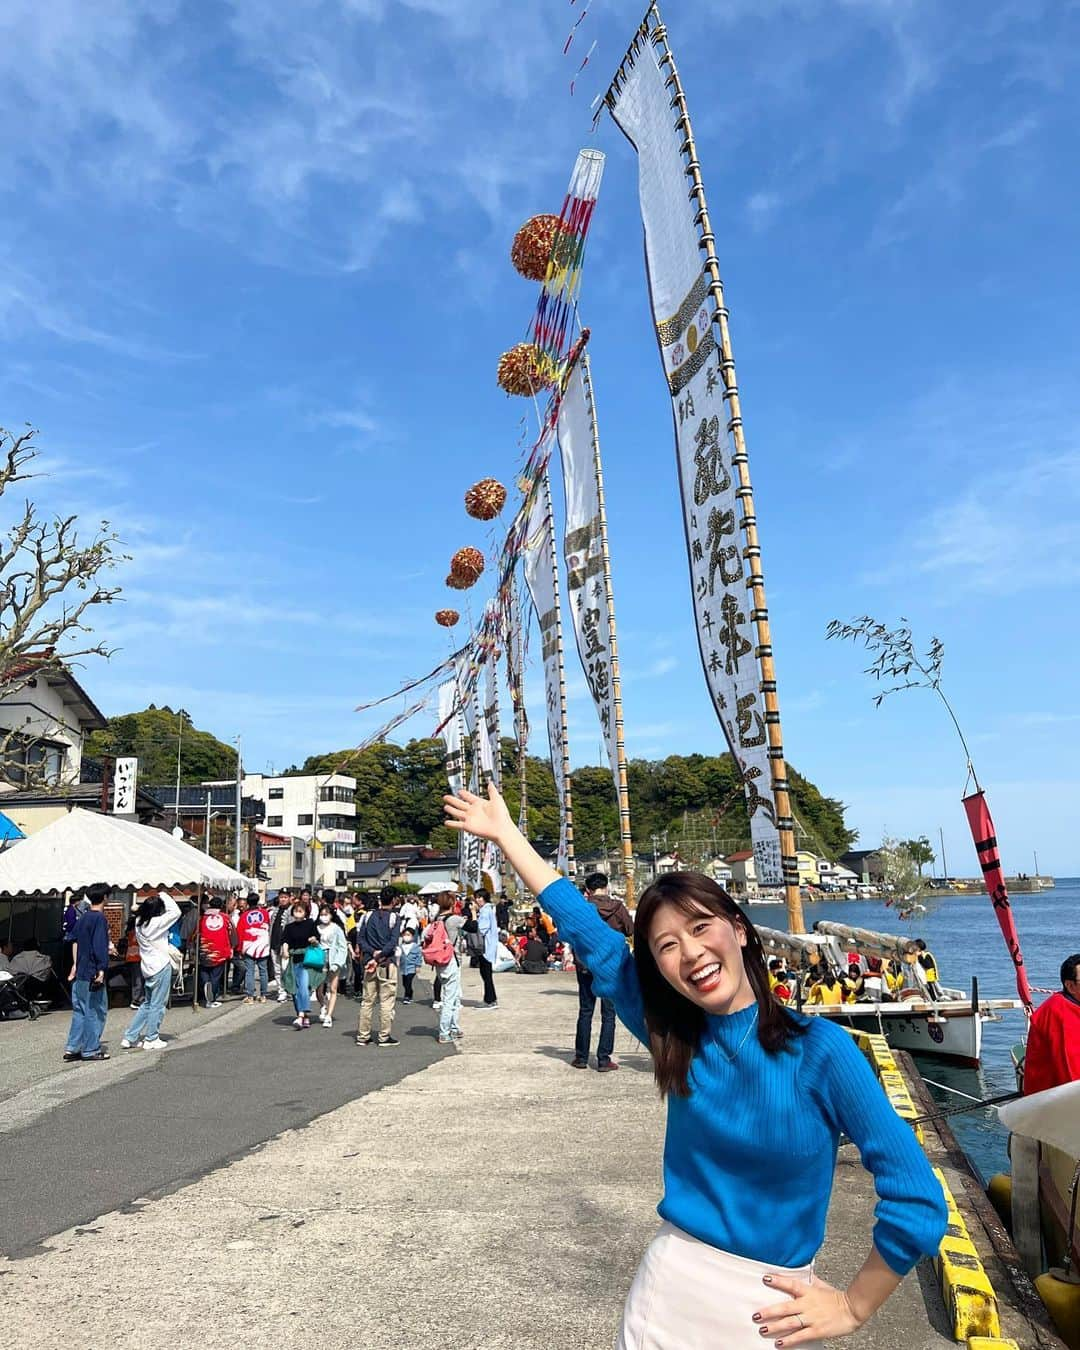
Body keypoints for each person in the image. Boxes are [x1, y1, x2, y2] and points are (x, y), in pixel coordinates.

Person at [444, 782, 947, 1348]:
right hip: (666, 1294)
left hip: (770, 1310)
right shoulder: (673, 1036)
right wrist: (509, 837)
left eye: (701, 927)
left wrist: (854, 1306)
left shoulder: (822, 1050)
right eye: (666, 945)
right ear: (657, 967)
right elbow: (594, 940)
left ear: (738, 928)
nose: (690, 953)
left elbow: (918, 1197)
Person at [573, 872, 633, 1073]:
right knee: (608, 1014)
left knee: (586, 1011)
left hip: (586, 965)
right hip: (610, 967)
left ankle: (581, 1057)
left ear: (588, 891)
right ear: (606, 887)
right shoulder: (617, 907)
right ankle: (603, 1059)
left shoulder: (583, 909)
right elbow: (630, 929)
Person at [120, 892, 181, 1049]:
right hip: (160, 966)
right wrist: (164, 894)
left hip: (147, 967)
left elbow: (139, 910)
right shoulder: (157, 923)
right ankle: (152, 1038)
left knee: (147, 1004)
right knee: (157, 1004)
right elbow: (176, 912)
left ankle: (130, 1036)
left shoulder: (139, 922)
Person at [64, 885, 114, 1062]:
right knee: (96, 1010)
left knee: (80, 1010)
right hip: (93, 970)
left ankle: (73, 1047)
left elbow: (74, 941)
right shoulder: (99, 918)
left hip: (81, 969)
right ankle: (90, 1049)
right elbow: (99, 946)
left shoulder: (83, 917)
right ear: (105, 897)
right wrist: (101, 969)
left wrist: (75, 965)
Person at [1022, 953, 1080, 1095]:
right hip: (1053, 1103)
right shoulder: (1059, 1014)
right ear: (1070, 986)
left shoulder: (1074, 1004)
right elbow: (1070, 1074)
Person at [355, 886, 400, 1047]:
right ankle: (384, 1036)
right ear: (394, 900)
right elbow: (393, 942)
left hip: (369, 963)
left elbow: (360, 939)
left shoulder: (367, 916)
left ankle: (363, 1035)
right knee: (386, 1001)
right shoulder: (394, 917)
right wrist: (381, 954)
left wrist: (372, 953)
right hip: (387, 963)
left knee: (367, 1001)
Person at [422, 893, 462, 1044]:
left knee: (451, 995)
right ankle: (445, 1031)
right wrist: (472, 912)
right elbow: (473, 927)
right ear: (452, 903)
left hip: (439, 961)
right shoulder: (454, 919)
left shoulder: (435, 920)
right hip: (451, 960)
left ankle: (454, 1027)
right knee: (450, 999)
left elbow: (425, 936)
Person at [281, 900, 320, 1029]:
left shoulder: (310, 924)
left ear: (305, 913)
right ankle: (304, 1016)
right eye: (296, 911)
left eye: (300, 911)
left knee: (303, 987)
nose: (298, 913)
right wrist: (285, 951)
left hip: (307, 960)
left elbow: (316, 939)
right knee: (294, 990)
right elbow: (285, 941)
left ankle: (301, 1015)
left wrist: (313, 940)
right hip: (293, 960)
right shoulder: (289, 927)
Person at [316, 901, 349, 1028]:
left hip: (333, 958)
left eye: (326, 914)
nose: (324, 916)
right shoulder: (317, 928)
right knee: (318, 988)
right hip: (319, 958)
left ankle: (329, 1016)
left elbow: (342, 946)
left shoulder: (336, 928)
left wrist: (339, 962)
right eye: (322, 914)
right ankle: (323, 1005)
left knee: (333, 989)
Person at [237, 892, 272, 1004]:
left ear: (247, 902)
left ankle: (250, 996)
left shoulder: (244, 916)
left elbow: (239, 932)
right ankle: (263, 995)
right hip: (262, 944)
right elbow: (267, 926)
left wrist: (239, 948)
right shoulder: (265, 913)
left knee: (249, 971)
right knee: (263, 970)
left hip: (248, 945)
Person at [198, 899, 232, 1008]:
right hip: (220, 951)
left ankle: (206, 984)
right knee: (216, 976)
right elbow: (232, 933)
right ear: (221, 905)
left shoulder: (202, 918)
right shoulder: (225, 917)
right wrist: (232, 947)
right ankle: (211, 999)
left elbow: (196, 933)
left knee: (204, 970)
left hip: (205, 949)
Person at [474, 889, 499, 1009]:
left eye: (480, 897)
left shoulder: (485, 911)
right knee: (486, 973)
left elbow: (481, 929)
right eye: (476, 897)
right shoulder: (488, 909)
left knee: (486, 974)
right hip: (489, 945)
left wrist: (473, 916)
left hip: (485, 946)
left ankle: (490, 1000)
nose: (478, 900)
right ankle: (490, 998)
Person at [270, 892, 293, 1002]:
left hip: (286, 945)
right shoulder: (275, 911)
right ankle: (281, 990)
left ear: (289, 898)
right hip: (274, 943)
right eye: (281, 897)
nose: (283, 899)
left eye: (285, 897)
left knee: (286, 969)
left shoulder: (292, 910)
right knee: (277, 969)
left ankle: (290, 989)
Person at [399, 923, 423, 1004]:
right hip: (403, 968)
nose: (406, 936)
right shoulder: (400, 946)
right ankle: (410, 993)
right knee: (404, 983)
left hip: (412, 968)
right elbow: (398, 956)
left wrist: (418, 966)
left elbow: (418, 957)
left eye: (408, 935)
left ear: (412, 936)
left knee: (408, 982)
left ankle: (407, 997)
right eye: (405, 935)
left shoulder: (415, 946)